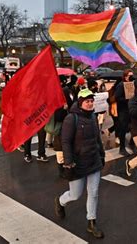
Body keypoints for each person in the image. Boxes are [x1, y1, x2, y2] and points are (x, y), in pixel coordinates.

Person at [54, 89, 105, 239]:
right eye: (87, 101)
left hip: (93, 161)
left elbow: (97, 139)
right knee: (75, 195)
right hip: (77, 164)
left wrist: (101, 155)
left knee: (94, 193)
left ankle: (91, 223)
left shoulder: (93, 117)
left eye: (91, 101)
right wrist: (68, 162)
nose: (90, 104)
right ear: (80, 102)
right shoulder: (71, 118)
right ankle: (60, 201)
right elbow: (66, 142)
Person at [114, 69, 135, 156]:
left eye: (132, 75)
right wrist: (127, 99)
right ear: (125, 76)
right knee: (123, 129)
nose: (131, 77)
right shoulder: (120, 85)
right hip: (123, 110)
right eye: (130, 75)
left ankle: (132, 143)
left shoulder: (132, 84)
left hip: (130, 109)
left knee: (133, 127)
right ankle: (122, 148)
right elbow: (117, 98)